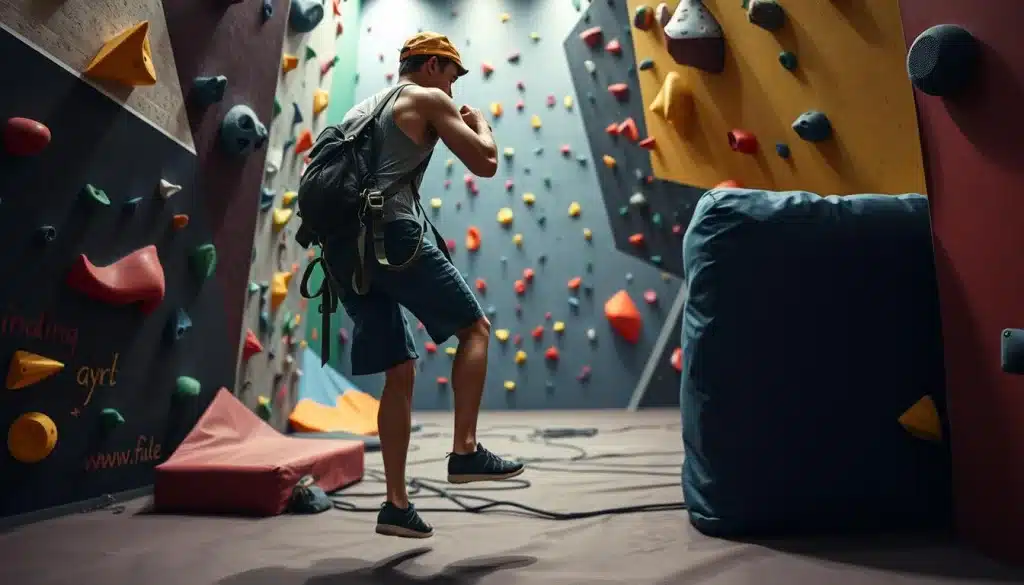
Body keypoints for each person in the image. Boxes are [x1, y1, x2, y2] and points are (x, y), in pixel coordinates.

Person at [324, 32, 525, 539]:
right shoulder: (428, 99)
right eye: (454, 77)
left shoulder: (363, 109)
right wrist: (482, 125)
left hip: (344, 251)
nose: (454, 90)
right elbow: (485, 162)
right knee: (475, 329)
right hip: (392, 234)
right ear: (434, 66)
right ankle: (465, 450)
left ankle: (395, 505)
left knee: (399, 369)